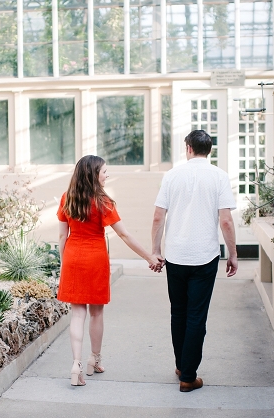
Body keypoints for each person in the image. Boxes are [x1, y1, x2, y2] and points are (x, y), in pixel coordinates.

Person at [57, 155, 162, 386]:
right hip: (95, 259)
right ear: (93, 174)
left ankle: (76, 365)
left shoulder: (67, 198)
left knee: (77, 314)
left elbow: (62, 236)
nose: (107, 175)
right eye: (104, 171)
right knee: (96, 313)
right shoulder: (103, 201)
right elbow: (124, 234)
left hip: (73, 257)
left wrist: (64, 265)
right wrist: (149, 257)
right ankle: (94, 359)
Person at [150, 129, 238, 392]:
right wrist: (233, 254)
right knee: (196, 316)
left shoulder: (171, 175)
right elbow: (226, 220)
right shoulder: (219, 176)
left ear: (188, 148)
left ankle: (182, 365)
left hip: (176, 256)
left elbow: (158, 217)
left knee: (178, 312)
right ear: (209, 150)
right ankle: (188, 376)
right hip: (204, 257)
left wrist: (155, 249)